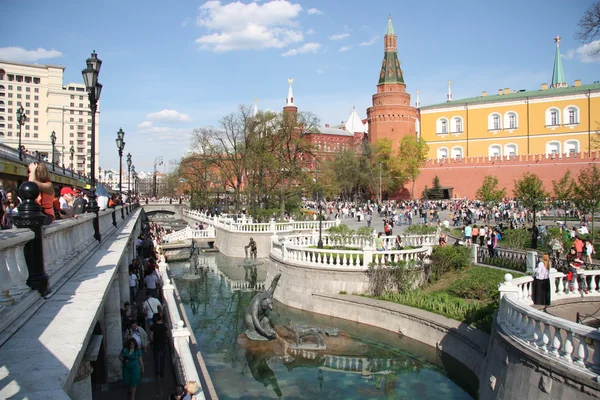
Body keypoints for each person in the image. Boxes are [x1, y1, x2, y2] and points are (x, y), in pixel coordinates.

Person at [150, 313, 169, 378]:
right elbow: (167, 334)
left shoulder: (153, 326)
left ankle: (156, 372)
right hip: (163, 344)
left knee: (155, 358)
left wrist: (152, 342)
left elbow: (151, 336)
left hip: (156, 344)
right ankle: (162, 373)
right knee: (162, 359)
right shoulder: (164, 325)